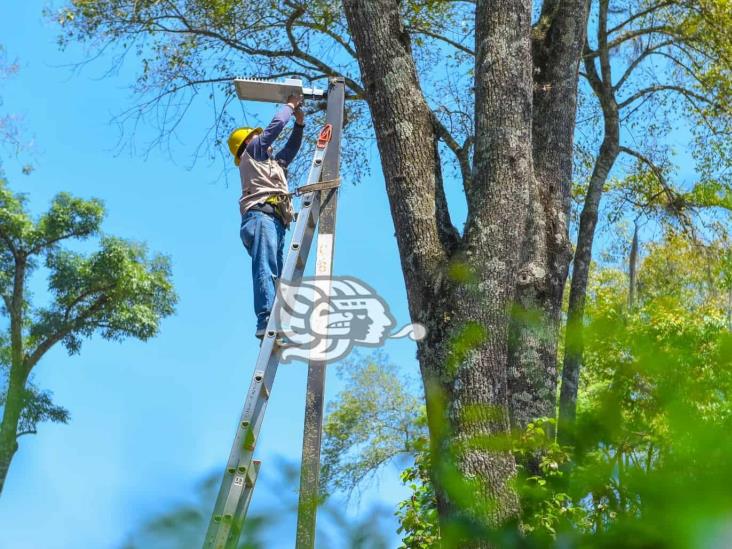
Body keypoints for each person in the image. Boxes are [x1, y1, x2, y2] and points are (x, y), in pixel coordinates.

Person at [227, 94, 305, 338]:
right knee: (266, 266)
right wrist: (290, 106)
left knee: (275, 273)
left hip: (274, 221)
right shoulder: (253, 152)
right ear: (248, 142)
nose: (262, 138)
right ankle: (265, 319)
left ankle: (275, 320)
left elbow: (290, 148)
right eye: (256, 135)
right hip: (261, 217)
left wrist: (300, 123)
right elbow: (274, 128)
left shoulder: (270, 163)